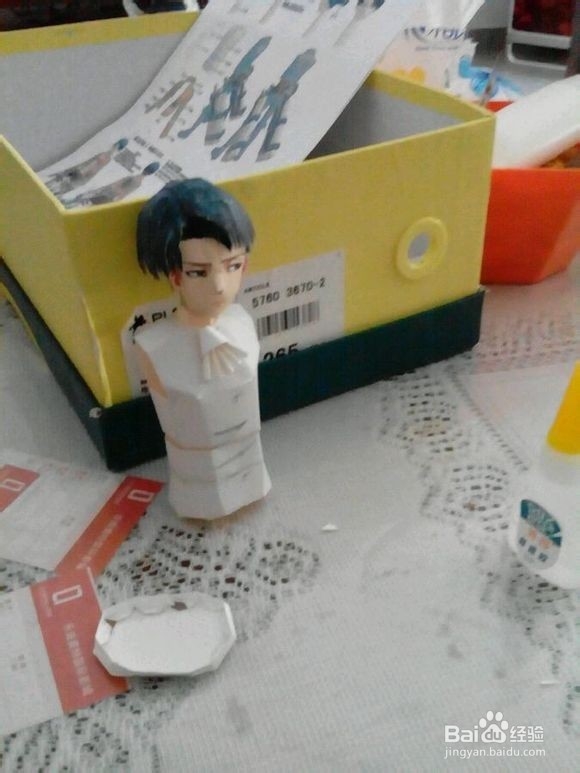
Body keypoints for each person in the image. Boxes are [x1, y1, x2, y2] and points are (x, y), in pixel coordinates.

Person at [134, 178, 271, 519]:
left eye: (233, 266)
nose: (219, 286)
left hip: (252, 471)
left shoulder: (242, 322)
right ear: (176, 277)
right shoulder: (154, 346)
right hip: (196, 487)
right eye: (199, 272)